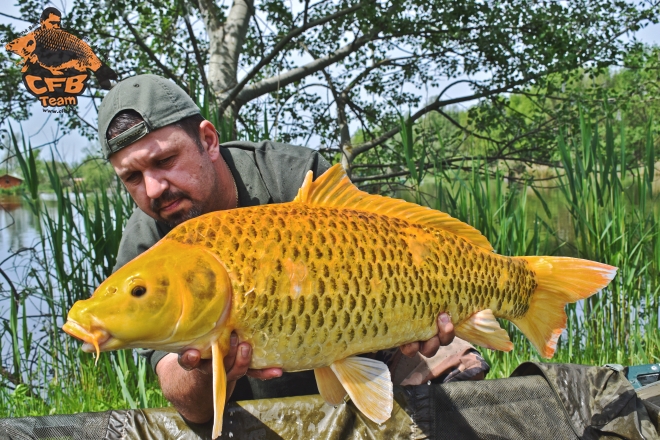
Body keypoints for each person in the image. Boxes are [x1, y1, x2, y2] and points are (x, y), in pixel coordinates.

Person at [97, 74, 480, 424]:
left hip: (366, 338)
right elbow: (190, 404)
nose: (153, 189)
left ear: (208, 140)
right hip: (257, 392)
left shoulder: (294, 176)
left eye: (165, 160)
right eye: (132, 177)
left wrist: (415, 319)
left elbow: (385, 254)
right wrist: (206, 366)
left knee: (456, 365)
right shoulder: (147, 247)